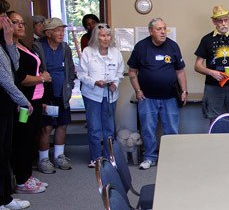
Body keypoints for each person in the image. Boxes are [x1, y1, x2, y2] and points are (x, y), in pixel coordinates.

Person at [128, 17, 188, 170]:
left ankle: (172, 157)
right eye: (159, 29)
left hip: (170, 97)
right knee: (148, 129)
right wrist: (138, 90)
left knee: (171, 129)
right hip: (147, 98)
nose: (163, 32)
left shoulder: (173, 46)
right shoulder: (141, 47)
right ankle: (150, 157)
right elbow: (132, 71)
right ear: (150, 31)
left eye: (164, 28)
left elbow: (180, 72)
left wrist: (184, 91)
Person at [8, 11, 51, 194]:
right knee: (22, 139)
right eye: (14, 23)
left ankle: (27, 175)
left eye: (22, 23)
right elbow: (21, 79)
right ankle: (21, 179)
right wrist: (41, 78)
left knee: (30, 137)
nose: (20, 26)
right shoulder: (11, 50)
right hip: (23, 104)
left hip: (35, 101)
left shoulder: (25, 46)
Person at [0, 0, 34, 210]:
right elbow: (6, 79)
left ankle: (6, 197)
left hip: (6, 106)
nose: (7, 22)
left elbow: (14, 64)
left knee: (5, 152)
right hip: (5, 102)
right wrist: (24, 101)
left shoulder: (3, 42)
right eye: (3, 18)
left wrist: (9, 38)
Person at [32, 17, 77, 173]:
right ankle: (43, 159)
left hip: (62, 93)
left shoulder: (65, 48)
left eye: (62, 30)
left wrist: (69, 87)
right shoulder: (38, 47)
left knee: (62, 125)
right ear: (48, 33)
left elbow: (70, 70)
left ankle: (59, 156)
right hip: (45, 94)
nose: (61, 33)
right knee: (46, 127)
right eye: (58, 30)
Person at [77, 23, 124, 167]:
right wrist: (94, 82)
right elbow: (81, 74)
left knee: (109, 128)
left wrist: (115, 83)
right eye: (102, 35)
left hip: (110, 94)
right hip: (92, 94)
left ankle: (109, 156)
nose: (106, 38)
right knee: (94, 127)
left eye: (108, 35)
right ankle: (95, 158)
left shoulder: (116, 52)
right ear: (96, 37)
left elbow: (119, 72)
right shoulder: (88, 52)